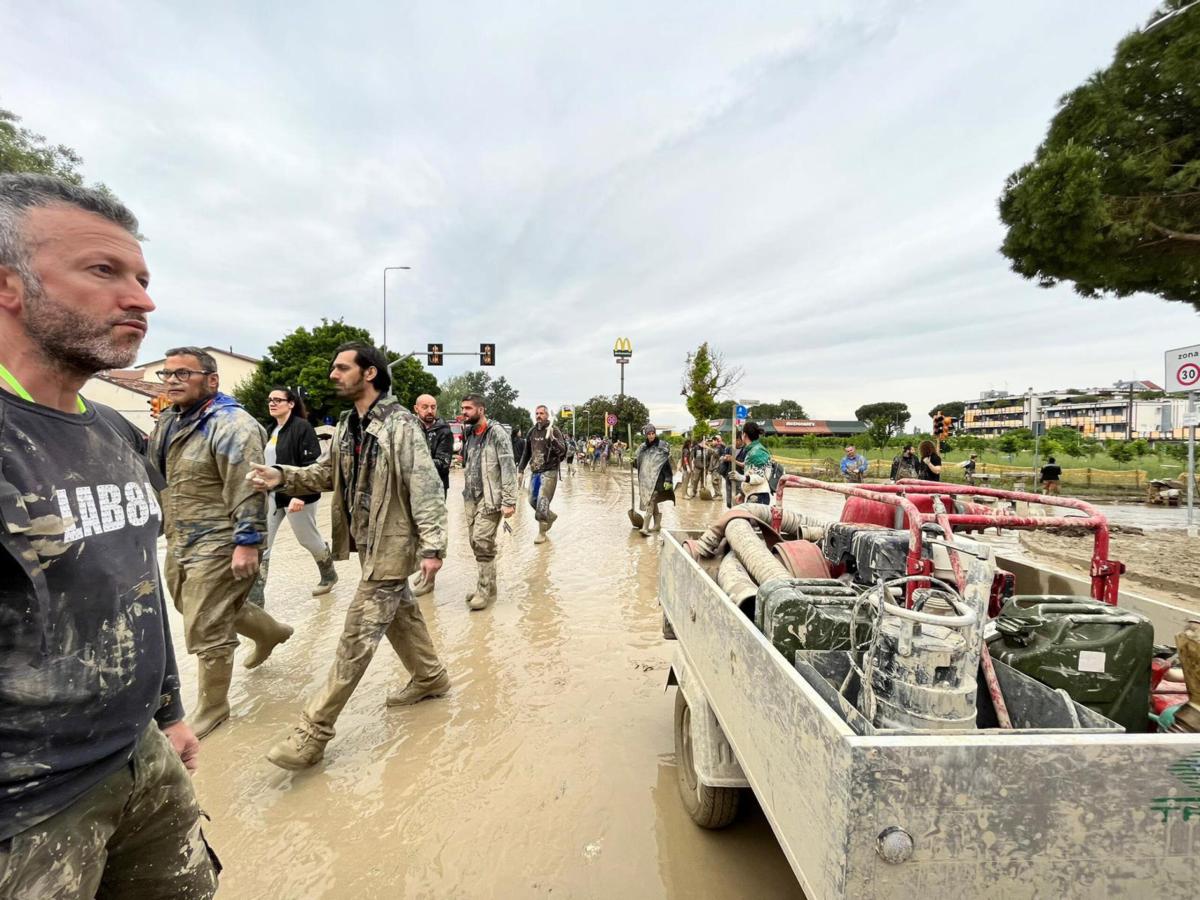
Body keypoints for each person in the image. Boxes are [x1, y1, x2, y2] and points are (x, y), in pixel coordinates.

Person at [0, 173, 218, 895]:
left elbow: (136, 583)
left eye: (143, 277)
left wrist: (170, 713)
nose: (143, 300)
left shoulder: (119, 433)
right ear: (9, 285)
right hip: (28, 818)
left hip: (142, 761)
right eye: (104, 271)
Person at [248, 342, 449, 769]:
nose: (333, 375)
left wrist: (433, 547)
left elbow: (426, 485)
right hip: (367, 545)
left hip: (393, 546)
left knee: (356, 634)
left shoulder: (401, 425)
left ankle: (313, 731)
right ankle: (431, 677)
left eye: (342, 368)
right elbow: (326, 474)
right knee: (401, 614)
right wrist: (281, 476)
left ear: (370, 373)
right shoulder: (348, 424)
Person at [147, 347, 294, 739]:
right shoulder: (168, 422)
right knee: (187, 603)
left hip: (220, 537)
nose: (173, 380)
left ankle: (214, 707)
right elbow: (158, 476)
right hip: (181, 534)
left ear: (211, 380)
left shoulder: (234, 425)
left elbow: (249, 487)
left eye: (184, 373)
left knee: (206, 621)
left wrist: (247, 542)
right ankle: (270, 632)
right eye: (167, 373)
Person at [252, 385, 337, 605]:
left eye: (278, 400)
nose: (272, 403)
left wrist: (300, 496)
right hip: (272, 495)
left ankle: (328, 574)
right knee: (262, 542)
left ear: (291, 403)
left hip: (297, 495)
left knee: (307, 539)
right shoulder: (270, 430)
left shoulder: (302, 428)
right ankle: (255, 599)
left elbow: (312, 465)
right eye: (270, 399)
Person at [460, 393, 518, 608]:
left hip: (491, 497)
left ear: (481, 409)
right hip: (471, 496)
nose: (464, 412)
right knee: (475, 542)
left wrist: (510, 500)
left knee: (483, 540)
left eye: (468, 408)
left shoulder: (497, 433)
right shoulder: (470, 434)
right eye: (463, 408)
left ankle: (484, 591)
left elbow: (508, 467)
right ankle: (488, 588)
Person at [518, 404, 568, 544]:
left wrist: (552, 438)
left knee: (542, 502)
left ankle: (542, 533)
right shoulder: (532, 432)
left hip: (549, 471)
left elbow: (563, 452)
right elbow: (526, 452)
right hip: (535, 471)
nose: (538, 416)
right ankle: (549, 516)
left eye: (541, 413)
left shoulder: (554, 431)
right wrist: (521, 470)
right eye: (537, 413)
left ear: (547, 415)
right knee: (532, 500)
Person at [634, 424, 673, 535]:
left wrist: (668, 479)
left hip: (658, 479)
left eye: (653, 433)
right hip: (646, 479)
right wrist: (633, 461)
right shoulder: (642, 448)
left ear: (655, 433)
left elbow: (666, 464)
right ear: (646, 435)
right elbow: (639, 464)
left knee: (650, 501)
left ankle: (645, 527)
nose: (651, 436)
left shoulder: (662, 447)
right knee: (653, 501)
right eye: (649, 434)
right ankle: (657, 525)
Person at [414, 393, 453, 496]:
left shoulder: (444, 431)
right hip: (413, 487)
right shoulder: (410, 429)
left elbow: (443, 463)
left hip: (436, 488)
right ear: (416, 408)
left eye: (433, 407)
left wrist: (413, 461)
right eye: (425, 407)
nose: (430, 411)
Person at [731, 422, 773, 504]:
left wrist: (741, 478)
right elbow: (751, 470)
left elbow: (760, 477)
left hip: (758, 496)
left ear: (744, 435)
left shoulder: (756, 452)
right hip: (754, 494)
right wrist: (742, 493)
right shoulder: (753, 450)